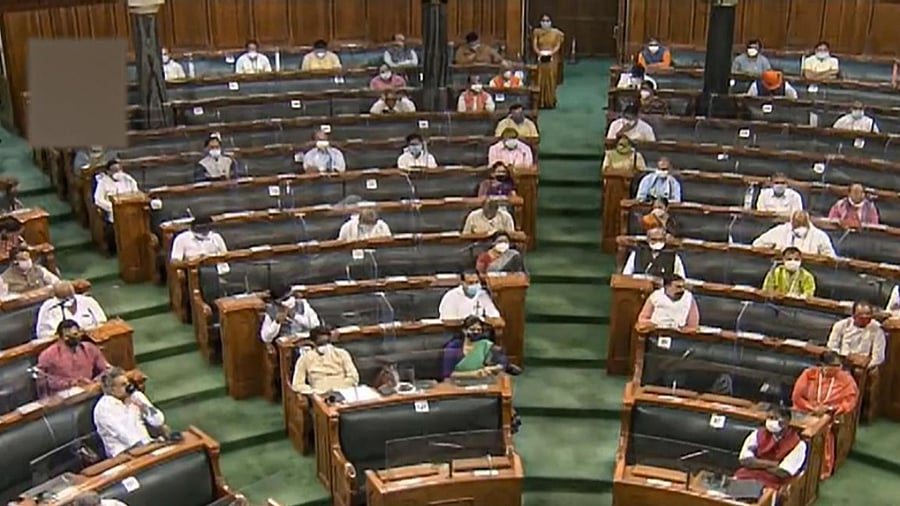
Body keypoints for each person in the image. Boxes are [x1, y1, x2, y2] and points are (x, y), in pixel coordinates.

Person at [791, 351, 858, 479]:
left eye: (838, 366)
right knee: (794, 427)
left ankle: (817, 469)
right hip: (805, 411)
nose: (837, 369)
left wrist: (830, 409)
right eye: (832, 366)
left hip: (829, 415)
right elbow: (797, 397)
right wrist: (813, 408)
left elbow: (850, 401)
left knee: (819, 429)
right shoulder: (809, 374)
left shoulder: (846, 379)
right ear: (822, 365)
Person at [94, 367, 166, 457]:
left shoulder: (136, 397)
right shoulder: (104, 408)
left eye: (128, 383)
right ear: (112, 390)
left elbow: (158, 421)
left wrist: (143, 405)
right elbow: (125, 436)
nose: (129, 387)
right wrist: (149, 446)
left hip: (148, 448)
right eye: (124, 385)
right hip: (124, 455)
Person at [733, 406, 807, 489]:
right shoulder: (757, 434)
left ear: (786, 421)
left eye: (774, 418)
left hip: (774, 482)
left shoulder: (798, 444)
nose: (770, 422)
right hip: (749, 474)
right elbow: (745, 461)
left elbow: (783, 472)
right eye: (768, 418)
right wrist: (772, 464)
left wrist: (756, 463)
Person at [36, 320, 110, 395]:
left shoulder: (90, 348)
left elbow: (106, 370)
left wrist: (95, 381)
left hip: (90, 390)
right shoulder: (48, 355)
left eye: (75, 334)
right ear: (60, 337)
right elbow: (44, 382)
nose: (70, 338)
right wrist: (72, 383)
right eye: (67, 336)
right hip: (63, 397)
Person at [441, 315, 519, 379]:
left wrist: (492, 368)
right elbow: (447, 374)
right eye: (472, 329)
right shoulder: (454, 346)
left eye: (479, 330)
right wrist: (472, 374)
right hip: (457, 383)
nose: (476, 332)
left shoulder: (485, 345)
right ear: (464, 330)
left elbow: (503, 362)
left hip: (481, 382)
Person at [291, 326, 359, 394]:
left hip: (345, 391)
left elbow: (354, 377)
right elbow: (297, 384)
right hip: (320, 394)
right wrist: (313, 392)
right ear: (313, 343)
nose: (325, 347)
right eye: (321, 344)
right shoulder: (304, 359)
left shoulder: (342, 353)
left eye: (326, 343)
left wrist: (341, 388)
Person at [36, 281, 107, 339]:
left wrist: (86, 330)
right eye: (63, 299)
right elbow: (42, 334)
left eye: (69, 297)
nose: (68, 301)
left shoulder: (88, 301)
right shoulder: (48, 307)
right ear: (56, 297)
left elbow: (103, 323)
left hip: (91, 340)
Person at [826, 300, 886, 368]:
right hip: (842, 361)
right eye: (861, 316)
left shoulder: (877, 329)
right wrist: (846, 357)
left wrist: (867, 365)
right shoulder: (841, 325)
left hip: (864, 365)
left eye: (868, 315)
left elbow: (879, 357)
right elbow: (831, 347)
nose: (865, 317)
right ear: (854, 316)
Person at [752, 210, 835, 257]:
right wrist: (776, 252)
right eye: (797, 224)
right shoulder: (780, 230)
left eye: (802, 225)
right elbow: (757, 244)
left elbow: (831, 258)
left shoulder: (820, 236)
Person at [635, 275, 700, 332]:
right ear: (667, 286)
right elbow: (642, 318)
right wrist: (653, 325)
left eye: (683, 287)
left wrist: (684, 330)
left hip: (679, 333)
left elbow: (693, 325)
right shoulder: (656, 296)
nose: (682, 290)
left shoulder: (689, 297)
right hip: (656, 331)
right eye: (678, 287)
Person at [93, 159, 138, 228]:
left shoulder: (128, 179)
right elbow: (98, 200)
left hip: (131, 210)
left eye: (119, 169)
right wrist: (112, 207)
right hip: (114, 214)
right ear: (108, 172)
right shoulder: (103, 183)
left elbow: (136, 193)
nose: (118, 172)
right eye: (114, 170)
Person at [532, 14, 564, 108]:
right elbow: (535, 44)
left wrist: (550, 53)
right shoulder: (537, 32)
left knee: (551, 79)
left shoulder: (556, 33)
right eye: (543, 20)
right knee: (540, 79)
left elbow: (558, 45)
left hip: (552, 59)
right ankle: (540, 101)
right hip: (540, 58)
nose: (545, 23)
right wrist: (540, 53)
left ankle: (550, 101)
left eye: (547, 21)